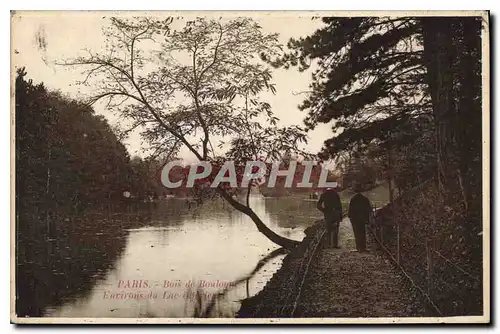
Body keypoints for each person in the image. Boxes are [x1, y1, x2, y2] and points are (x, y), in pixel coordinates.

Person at [348, 184, 372, 252]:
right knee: (363, 232)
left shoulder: (353, 199)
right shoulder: (365, 199)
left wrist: (350, 217)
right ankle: (363, 247)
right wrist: (368, 219)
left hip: (355, 219)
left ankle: (358, 247)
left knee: (357, 233)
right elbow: (369, 209)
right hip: (363, 218)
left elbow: (351, 209)